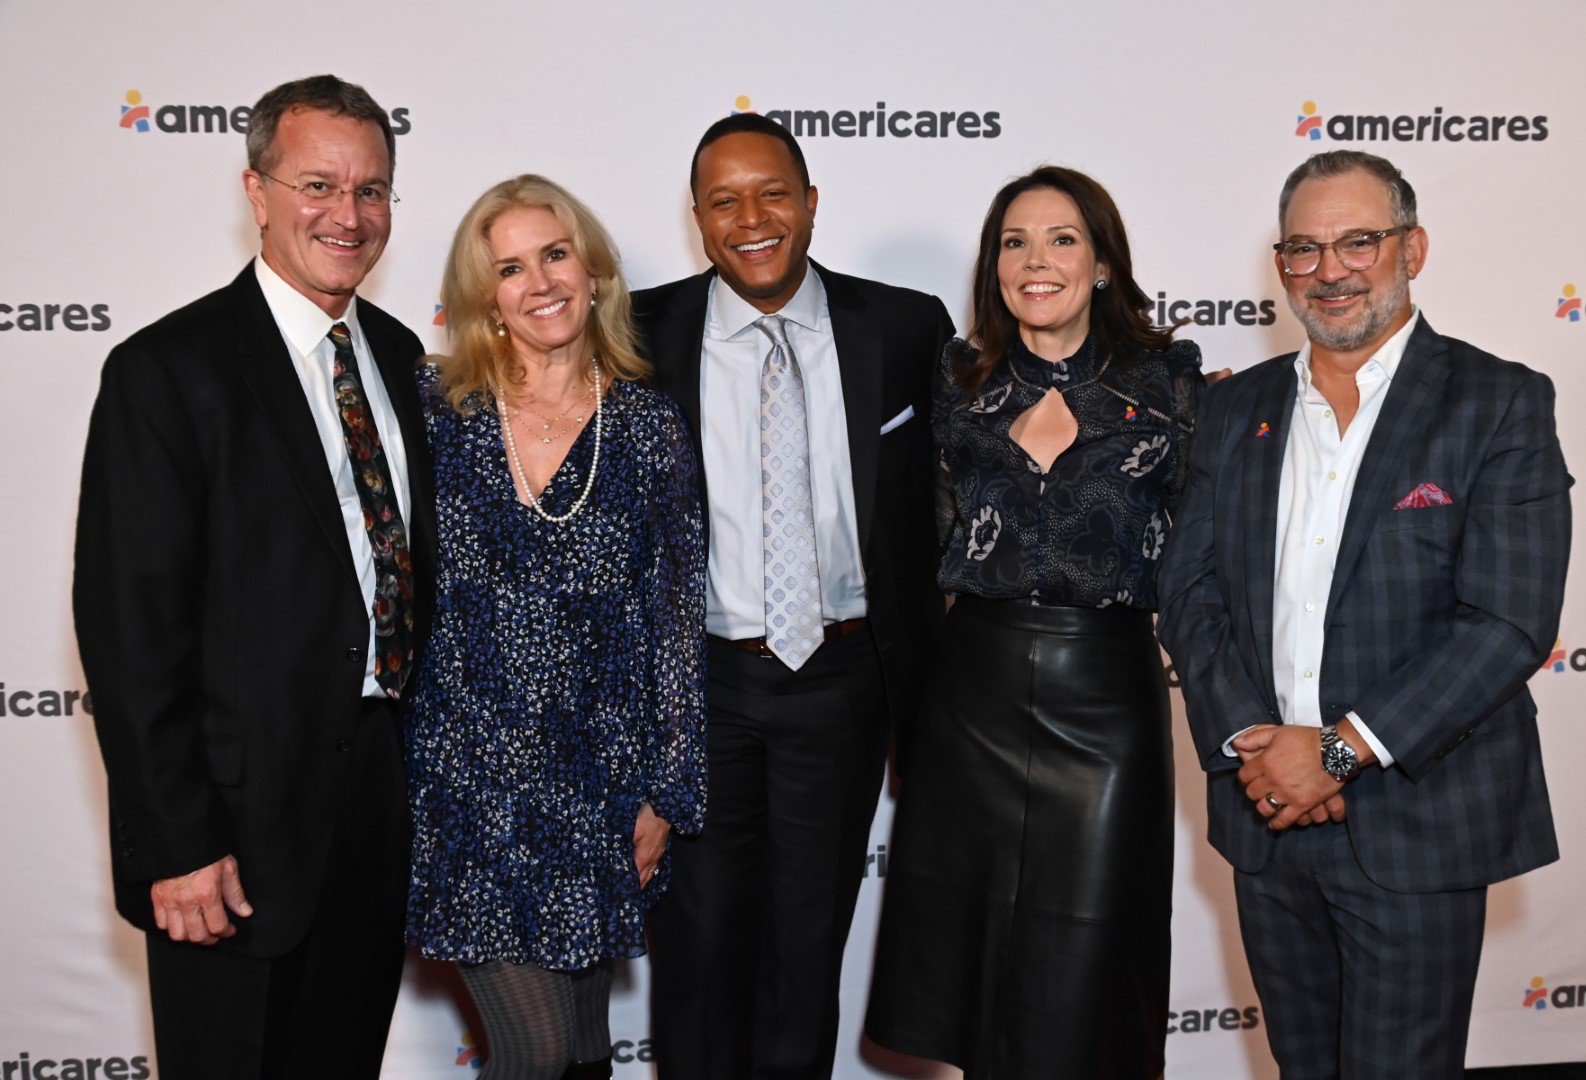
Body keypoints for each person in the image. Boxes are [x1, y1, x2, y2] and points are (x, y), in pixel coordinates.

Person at [1157, 149, 1573, 1078]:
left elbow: (1507, 621)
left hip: (1415, 821)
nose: (1331, 271)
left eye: (1358, 242)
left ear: (1412, 248)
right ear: (1280, 266)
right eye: (1304, 250)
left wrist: (1336, 752)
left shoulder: (1498, 401)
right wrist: (1257, 747)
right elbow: (1189, 593)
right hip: (1269, 817)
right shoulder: (1234, 410)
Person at [72, 75, 432, 1078]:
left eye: (371, 190)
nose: (347, 215)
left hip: (374, 810)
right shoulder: (168, 372)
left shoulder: (403, 361)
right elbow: (128, 631)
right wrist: (175, 843)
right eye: (317, 184)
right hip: (227, 833)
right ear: (256, 189)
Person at [863, 166, 1204, 1079]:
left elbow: (1205, 558)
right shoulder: (957, 375)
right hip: (971, 694)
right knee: (976, 976)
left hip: (1107, 701)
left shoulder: (1168, 379)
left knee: (1086, 978)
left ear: (1100, 263)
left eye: (1061, 239)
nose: (1035, 260)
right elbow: (916, 543)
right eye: (1015, 241)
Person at [633, 113, 954, 1080]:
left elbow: (982, 469)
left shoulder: (904, 327)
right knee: (697, 948)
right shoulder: (642, 334)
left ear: (811, 203)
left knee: (808, 948)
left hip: (845, 681)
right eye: (725, 201)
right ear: (698, 220)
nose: (753, 217)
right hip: (704, 689)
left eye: (773, 192)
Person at [405, 174, 706, 1080]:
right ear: (482, 296)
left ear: (593, 268)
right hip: (470, 783)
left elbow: (677, 619)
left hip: (600, 785)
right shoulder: (435, 413)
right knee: (534, 1054)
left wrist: (668, 788)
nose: (539, 281)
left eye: (555, 253)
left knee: (581, 1056)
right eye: (509, 267)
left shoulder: (648, 427)